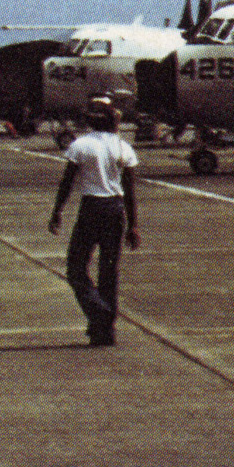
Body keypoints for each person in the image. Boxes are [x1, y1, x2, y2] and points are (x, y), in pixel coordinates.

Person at [48, 97, 140, 346]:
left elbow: (67, 181)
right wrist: (133, 225)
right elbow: (130, 190)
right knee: (108, 272)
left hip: (92, 208)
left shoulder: (81, 145)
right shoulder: (124, 148)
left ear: (91, 121)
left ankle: (99, 314)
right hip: (116, 209)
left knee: (76, 267)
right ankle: (104, 331)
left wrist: (57, 211)